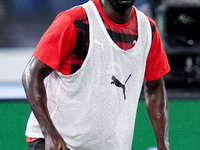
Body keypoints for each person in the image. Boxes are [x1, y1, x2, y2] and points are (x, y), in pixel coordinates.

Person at [22, 0, 170, 150]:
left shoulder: (148, 30)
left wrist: (163, 143)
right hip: (59, 143)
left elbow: (155, 88)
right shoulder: (75, 22)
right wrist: (50, 134)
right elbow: (32, 75)